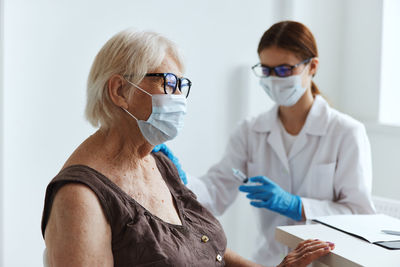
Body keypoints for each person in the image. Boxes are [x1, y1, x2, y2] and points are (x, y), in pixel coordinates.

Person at [41, 28, 334, 266]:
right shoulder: (81, 197)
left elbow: (205, 250)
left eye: (182, 84)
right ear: (120, 91)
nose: (179, 96)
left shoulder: (157, 163)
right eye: (168, 82)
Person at [159, 20, 375, 266]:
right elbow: (215, 191)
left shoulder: (346, 132)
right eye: (267, 70)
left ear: (312, 66)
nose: (274, 78)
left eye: (284, 70)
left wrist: (298, 206)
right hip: (270, 259)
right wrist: (179, 178)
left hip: (328, 261)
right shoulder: (251, 131)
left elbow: (360, 215)